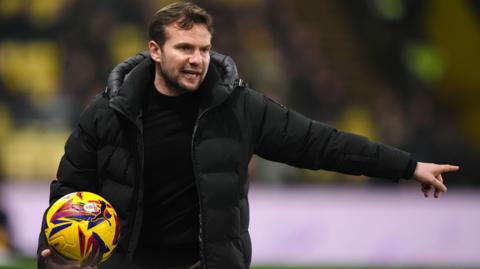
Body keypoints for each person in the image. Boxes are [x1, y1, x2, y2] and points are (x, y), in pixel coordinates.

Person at [37, 2, 459, 269]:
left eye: (204, 49)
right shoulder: (108, 112)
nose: (198, 59)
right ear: (155, 50)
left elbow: (321, 144)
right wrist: (55, 259)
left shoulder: (239, 108)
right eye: (185, 48)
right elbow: (70, 187)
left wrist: (407, 166)